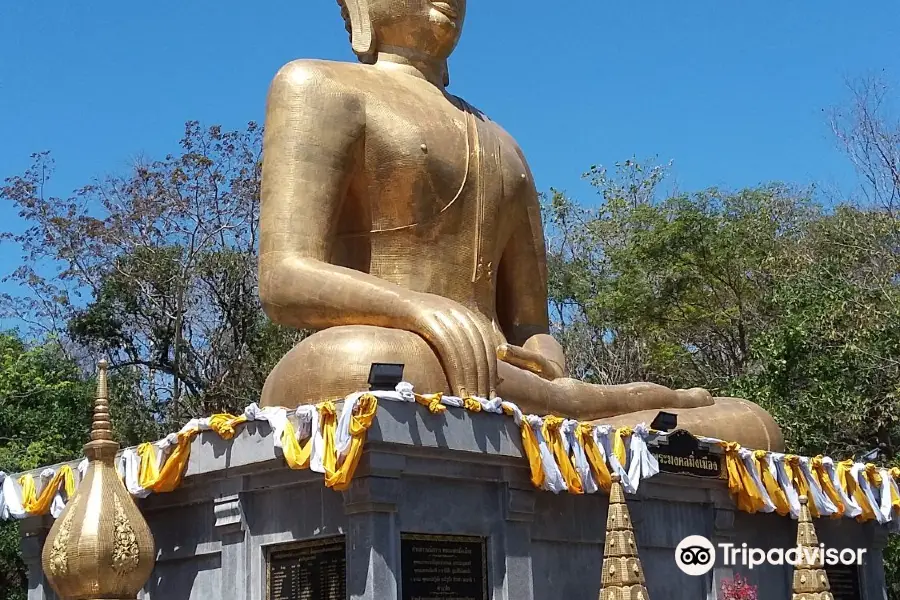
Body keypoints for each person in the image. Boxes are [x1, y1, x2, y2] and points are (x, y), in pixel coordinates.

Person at [257, 0, 783, 450]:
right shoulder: (318, 84)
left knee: (753, 427)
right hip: (393, 353)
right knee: (369, 364)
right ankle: (607, 409)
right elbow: (284, 277)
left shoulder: (503, 143)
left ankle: (595, 407)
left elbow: (531, 327)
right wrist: (420, 311)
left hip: (501, 376)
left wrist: (545, 361)